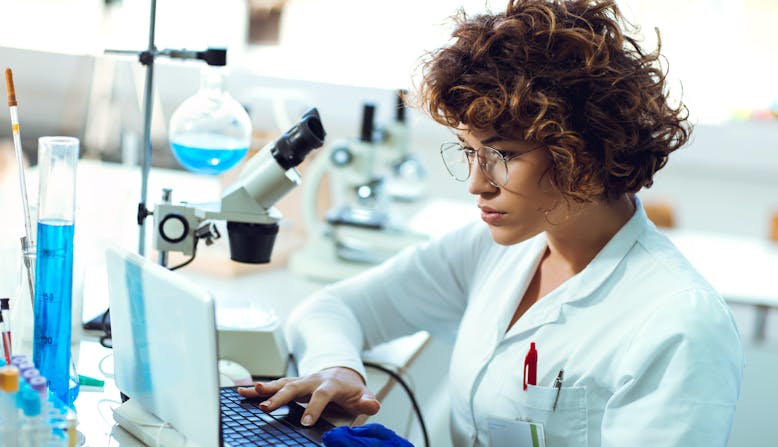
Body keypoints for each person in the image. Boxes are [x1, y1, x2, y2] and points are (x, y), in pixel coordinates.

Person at [239, 0, 744, 445]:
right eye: (469, 152)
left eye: (502, 155)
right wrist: (337, 367)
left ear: (584, 155)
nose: (476, 184)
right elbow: (333, 308)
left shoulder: (678, 325)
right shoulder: (494, 248)